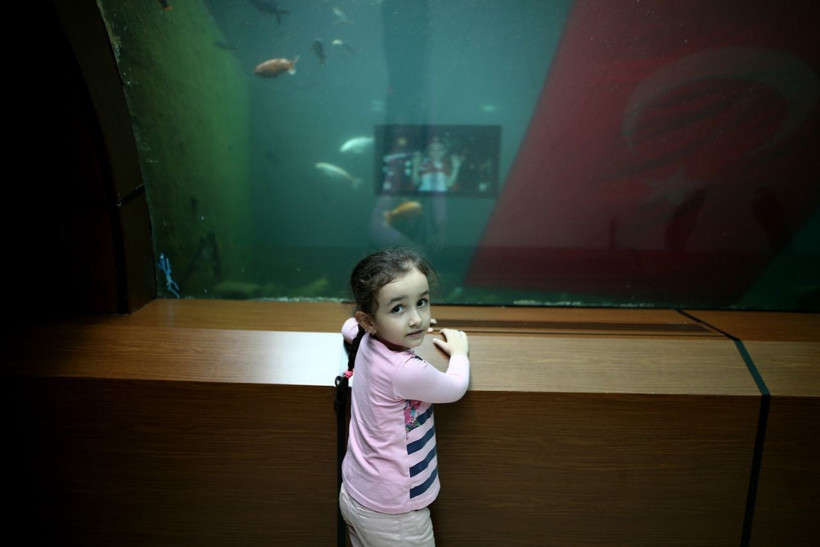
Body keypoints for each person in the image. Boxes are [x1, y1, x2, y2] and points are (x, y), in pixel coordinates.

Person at [336, 247, 470, 546]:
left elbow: (348, 327)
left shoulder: (363, 337)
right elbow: (455, 388)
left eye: (421, 303)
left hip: (355, 492)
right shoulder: (405, 371)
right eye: (398, 308)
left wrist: (391, 323)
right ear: (369, 321)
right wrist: (459, 353)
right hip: (395, 516)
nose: (416, 320)